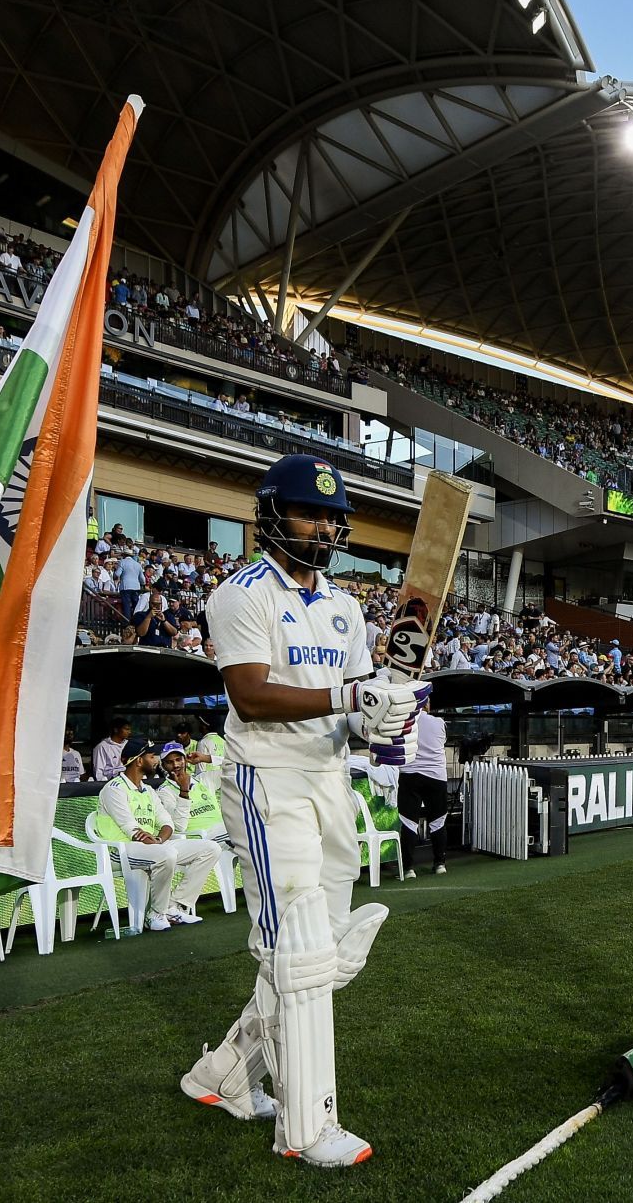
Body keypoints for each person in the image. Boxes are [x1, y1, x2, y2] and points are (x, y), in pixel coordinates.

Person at [181, 453, 425, 1167]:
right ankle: (305, 1126)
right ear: (270, 515)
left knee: (324, 954)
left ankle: (223, 1073)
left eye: (330, 515)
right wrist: (350, 699)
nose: (322, 525)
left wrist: (378, 719)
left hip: (329, 778)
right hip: (267, 779)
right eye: (308, 511)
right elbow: (251, 695)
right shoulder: (242, 593)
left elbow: (352, 707)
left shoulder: (346, 606)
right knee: (299, 953)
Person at [94, 736, 182, 932]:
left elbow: (167, 822)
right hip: (120, 850)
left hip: (148, 847)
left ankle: (175, 906)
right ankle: (156, 914)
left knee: (208, 849)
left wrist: (160, 840)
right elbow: (132, 830)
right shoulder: (114, 789)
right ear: (139, 760)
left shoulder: (148, 789)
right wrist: (158, 845)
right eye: (152, 756)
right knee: (167, 854)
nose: (157, 760)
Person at [153, 742, 223, 924]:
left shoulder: (204, 779)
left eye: (178, 759)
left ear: (186, 759)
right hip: (199, 838)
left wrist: (206, 758)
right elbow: (179, 828)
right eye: (169, 762)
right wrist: (184, 791)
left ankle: (174, 904)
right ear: (163, 766)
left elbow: (236, 765)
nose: (176, 765)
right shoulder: (164, 792)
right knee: (243, 830)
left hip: (222, 832)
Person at [397, 700, 449, 879]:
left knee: (409, 823)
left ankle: (409, 868)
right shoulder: (439, 722)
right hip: (436, 776)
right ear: (427, 704)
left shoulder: (404, 722)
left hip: (410, 775)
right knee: (438, 822)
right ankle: (440, 863)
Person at [92, 716, 131, 781]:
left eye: (129, 729)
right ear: (116, 730)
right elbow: (98, 772)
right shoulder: (102, 746)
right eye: (126, 729)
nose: (129, 732)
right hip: (111, 781)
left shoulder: (129, 744)